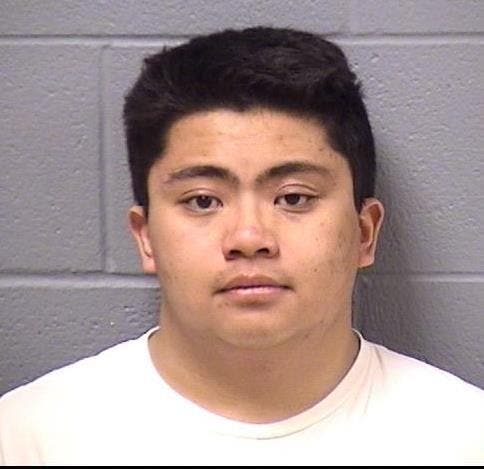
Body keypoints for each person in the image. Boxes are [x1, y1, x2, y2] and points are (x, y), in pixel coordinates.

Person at [0, 26, 482, 465]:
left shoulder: (464, 438)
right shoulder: (28, 440)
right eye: (203, 201)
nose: (249, 238)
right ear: (145, 238)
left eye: (294, 198)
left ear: (364, 233)